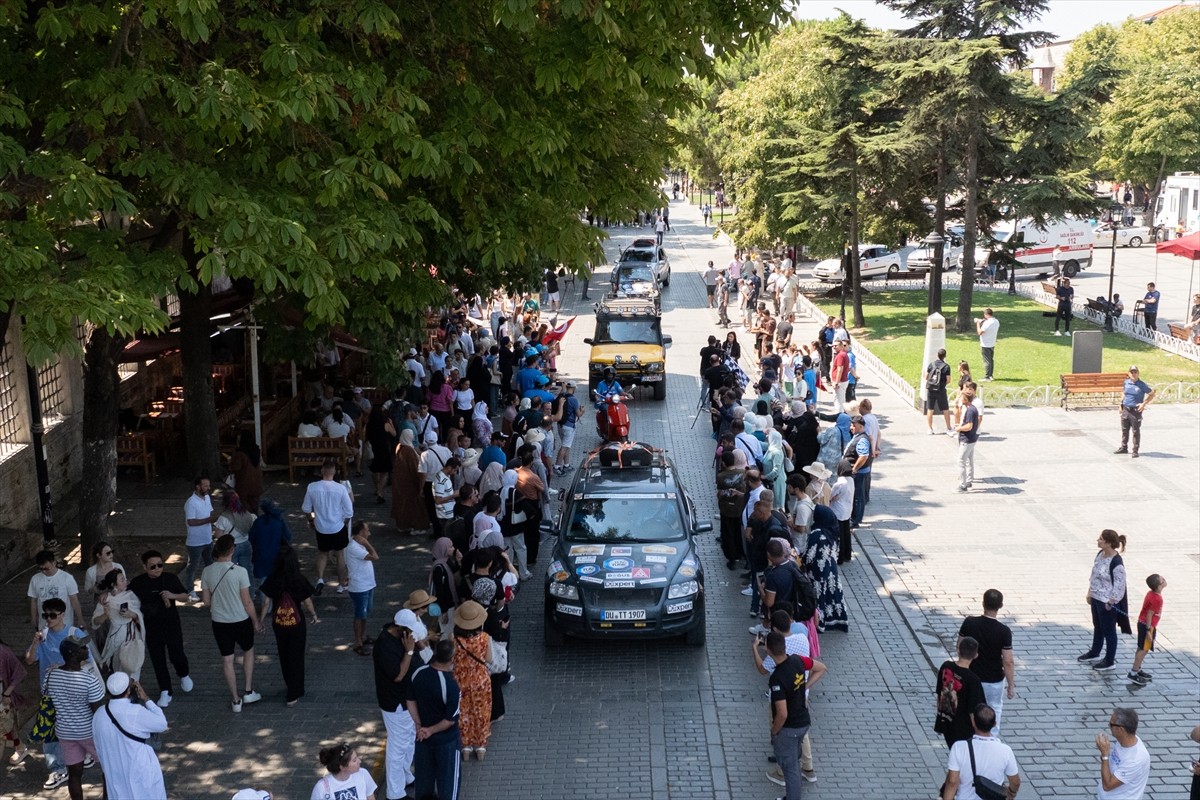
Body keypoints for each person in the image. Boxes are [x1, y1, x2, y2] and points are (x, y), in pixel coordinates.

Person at [201, 534, 263, 712]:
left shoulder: (207, 571)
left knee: (227, 660)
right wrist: (256, 621)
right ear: (232, 550)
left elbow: (206, 601)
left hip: (219, 622)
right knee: (248, 650)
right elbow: (247, 602)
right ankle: (248, 690)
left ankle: (235, 700)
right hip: (240, 620)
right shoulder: (240, 571)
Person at [765, 630, 827, 800]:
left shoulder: (777, 678)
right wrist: (805, 686)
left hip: (789, 728)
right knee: (794, 763)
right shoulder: (797, 660)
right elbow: (821, 668)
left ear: (769, 651)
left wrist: (774, 731)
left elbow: (782, 714)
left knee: (790, 769)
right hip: (803, 722)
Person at [128, 550, 192, 708]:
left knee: (176, 653)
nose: (157, 568)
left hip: (171, 624)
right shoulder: (138, 582)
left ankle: (183, 673)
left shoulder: (170, 578)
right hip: (151, 626)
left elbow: (185, 596)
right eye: (152, 566)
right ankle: (166, 689)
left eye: (160, 565)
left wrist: (173, 596)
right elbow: (126, 595)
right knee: (157, 658)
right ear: (145, 567)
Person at [257, 544, 319, 706]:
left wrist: (261, 620)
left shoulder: (273, 578)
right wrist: (313, 614)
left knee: (284, 654)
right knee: (297, 655)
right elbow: (307, 600)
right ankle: (296, 690)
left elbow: (265, 602)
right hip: (297, 623)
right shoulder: (298, 578)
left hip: (279, 623)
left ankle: (290, 685)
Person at [375, 610, 428, 799]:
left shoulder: (403, 637)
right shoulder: (384, 645)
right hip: (396, 703)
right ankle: (395, 793)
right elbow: (398, 675)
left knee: (408, 741)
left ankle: (406, 776)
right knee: (397, 747)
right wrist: (410, 651)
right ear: (400, 629)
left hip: (408, 701)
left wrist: (417, 645)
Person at [91, 671, 168, 800]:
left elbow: (98, 747)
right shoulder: (135, 712)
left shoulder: (99, 714)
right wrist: (146, 699)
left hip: (115, 771)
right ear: (128, 691)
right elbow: (161, 724)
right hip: (140, 771)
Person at [45, 639, 106, 800]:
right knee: (108, 769)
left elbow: (48, 695)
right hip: (88, 732)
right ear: (73, 654)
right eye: (82, 648)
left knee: (74, 774)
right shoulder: (89, 680)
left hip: (65, 732)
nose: (87, 649)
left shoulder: (51, 675)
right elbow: (98, 712)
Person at [408, 639, 462, 800]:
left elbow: (410, 701)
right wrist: (429, 730)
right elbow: (450, 720)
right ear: (452, 659)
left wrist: (419, 726)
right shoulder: (451, 686)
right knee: (448, 786)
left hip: (422, 740)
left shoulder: (418, 673)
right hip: (446, 742)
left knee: (423, 786)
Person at [958, 590, 1015, 736]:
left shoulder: (969, 623)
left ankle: (970, 736)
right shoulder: (1004, 631)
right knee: (994, 709)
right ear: (1001, 605)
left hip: (971, 676)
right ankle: (991, 739)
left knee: (969, 707)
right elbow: (1008, 661)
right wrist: (1011, 685)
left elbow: (960, 647)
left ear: (983, 603)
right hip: (993, 681)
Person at [940, 705, 1020, 800]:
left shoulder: (959, 748)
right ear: (994, 724)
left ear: (973, 722)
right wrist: (1011, 793)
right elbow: (1015, 781)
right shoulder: (1005, 750)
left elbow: (952, 781)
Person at [1078, 529, 1128, 672]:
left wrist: (1111, 602)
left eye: (1100, 539)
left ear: (1108, 543)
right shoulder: (1100, 555)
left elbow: (1120, 585)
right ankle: (1095, 652)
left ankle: (1109, 660)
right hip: (1096, 597)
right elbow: (1094, 574)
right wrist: (1089, 592)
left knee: (1109, 631)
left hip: (1107, 602)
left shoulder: (1116, 562)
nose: (1097, 541)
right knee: (1098, 626)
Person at [301, 460, 354, 594]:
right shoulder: (340, 488)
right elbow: (349, 511)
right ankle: (342, 584)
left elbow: (306, 508)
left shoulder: (312, 487)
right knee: (340, 555)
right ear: (334, 472)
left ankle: (320, 579)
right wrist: (345, 522)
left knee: (322, 553)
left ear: (322, 471)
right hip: (337, 526)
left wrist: (311, 521)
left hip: (321, 527)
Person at [451, 600, 493, 762]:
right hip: (481, 680)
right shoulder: (484, 638)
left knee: (463, 712)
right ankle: (480, 746)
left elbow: (450, 659)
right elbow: (489, 659)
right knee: (481, 712)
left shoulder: (453, 638)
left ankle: (466, 747)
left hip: (460, 680)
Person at [92, 568, 146, 680]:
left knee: (132, 663)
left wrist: (133, 614)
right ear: (114, 584)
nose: (125, 581)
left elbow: (140, 615)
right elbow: (95, 622)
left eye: (125, 579)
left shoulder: (131, 595)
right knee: (118, 664)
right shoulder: (105, 599)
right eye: (122, 580)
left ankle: (133, 687)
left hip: (132, 635)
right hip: (116, 636)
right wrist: (105, 615)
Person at [934, 636, 986, 749]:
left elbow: (940, 694)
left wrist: (940, 720)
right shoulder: (973, 680)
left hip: (947, 723)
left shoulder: (946, 667)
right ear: (976, 655)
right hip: (964, 730)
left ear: (958, 650)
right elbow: (973, 711)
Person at [805, 505, 848, 633]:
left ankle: (820, 621)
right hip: (831, 569)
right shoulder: (832, 532)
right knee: (832, 593)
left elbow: (809, 555)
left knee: (819, 595)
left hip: (817, 571)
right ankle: (836, 619)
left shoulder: (816, 533)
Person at [1095, 708, 1150, 799]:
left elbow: (1108, 785)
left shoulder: (1135, 759)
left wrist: (1105, 754)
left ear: (1121, 729)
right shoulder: (1124, 741)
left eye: (1111, 724)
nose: (1108, 725)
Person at [346, 520, 380, 656]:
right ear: (361, 532)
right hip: (360, 587)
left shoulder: (357, 545)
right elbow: (375, 557)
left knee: (365, 612)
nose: (369, 532)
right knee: (360, 614)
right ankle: (358, 642)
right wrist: (366, 543)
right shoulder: (355, 547)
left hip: (368, 584)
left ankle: (363, 636)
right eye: (367, 530)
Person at [247, 498, 292, 600]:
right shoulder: (279, 522)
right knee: (275, 580)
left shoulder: (258, 522)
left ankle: (266, 607)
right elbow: (288, 537)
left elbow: (251, 538)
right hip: (276, 555)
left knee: (264, 581)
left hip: (260, 555)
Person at [28, 549, 83, 631]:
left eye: (47, 568)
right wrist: (33, 618)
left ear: (54, 563)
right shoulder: (35, 579)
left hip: (64, 623)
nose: (44, 571)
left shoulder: (67, 578)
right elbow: (33, 600)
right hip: (44, 623)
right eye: (41, 569)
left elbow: (73, 599)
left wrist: (80, 618)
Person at [1128, 574, 1165, 686]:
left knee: (1141, 647)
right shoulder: (1157, 599)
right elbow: (1149, 614)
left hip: (1142, 623)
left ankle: (1137, 669)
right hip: (1147, 626)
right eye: (1162, 579)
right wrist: (1149, 630)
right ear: (1159, 585)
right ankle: (1133, 673)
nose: (1164, 579)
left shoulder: (1151, 593)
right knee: (1144, 649)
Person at [392, 429, 431, 534]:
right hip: (409, 482)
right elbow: (415, 467)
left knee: (403, 504)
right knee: (414, 505)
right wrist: (421, 482)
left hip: (401, 481)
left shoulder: (401, 447)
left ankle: (404, 524)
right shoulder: (408, 451)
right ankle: (417, 526)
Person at [310, 742, 378, 800]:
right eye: (354, 760)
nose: (359, 761)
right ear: (342, 767)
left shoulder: (363, 774)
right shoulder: (322, 788)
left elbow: (371, 797)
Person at [1114, 366, 1155, 459]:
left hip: (1135, 411)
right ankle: (1124, 447)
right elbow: (1124, 392)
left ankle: (1135, 450)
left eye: (1135, 372)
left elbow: (1152, 394)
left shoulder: (1142, 385)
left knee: (1135, 431)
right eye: (1131, 372)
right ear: (1129, 373)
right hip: (1126, 409)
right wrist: (1121, 404)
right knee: (1124, 430)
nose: (1133, 374)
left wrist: (1144, 404)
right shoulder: (1126, 382)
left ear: (1138, 373)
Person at [843, 414, 872, 529]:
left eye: (853, 425)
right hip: (859, 472)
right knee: (857, 495)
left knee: (857, 497)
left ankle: (855, 520)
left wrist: (855, 469)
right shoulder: (858, 436)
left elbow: (863, 456)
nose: (851, 427)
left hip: (859, 473)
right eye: (851, 425)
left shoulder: (862, 440)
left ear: (860, 426)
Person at [226, 432, 264, 513]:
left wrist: (230, 463)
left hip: (245, 485)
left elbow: (236, 467)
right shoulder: (256, 450)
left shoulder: (240, 454)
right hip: (257, 483)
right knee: (254, 505)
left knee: (245, 505)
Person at [955, 384, 981, 492]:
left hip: (967, 439)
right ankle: (969, 480)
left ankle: (962, 485)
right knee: (969, 459)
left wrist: (959, 428)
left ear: (966, 399)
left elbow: (969, 426)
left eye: (962, 397)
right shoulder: (970, 408)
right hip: (971, 439)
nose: (961, 399)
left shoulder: (971, 410)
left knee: (961, 461)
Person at [925, 349, 953, 435]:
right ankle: (948, 428)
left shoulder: (931, 364)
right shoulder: (946, 367)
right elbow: (948, 380)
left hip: (931, 389)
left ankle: (930, 429)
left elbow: (926, 377)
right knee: (945, 409)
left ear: (937, 355)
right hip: (941, 390)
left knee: (930, 409)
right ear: (945, 356)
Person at [975, 308, 999, 381]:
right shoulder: (996, 321)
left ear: (986, 314)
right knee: (991, 360)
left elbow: (980, 332)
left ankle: (987, 376)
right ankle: (990, 375)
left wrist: (978, 324)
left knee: (987, 361)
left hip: (986, 344)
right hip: (992, 343)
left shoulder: (987, 323)